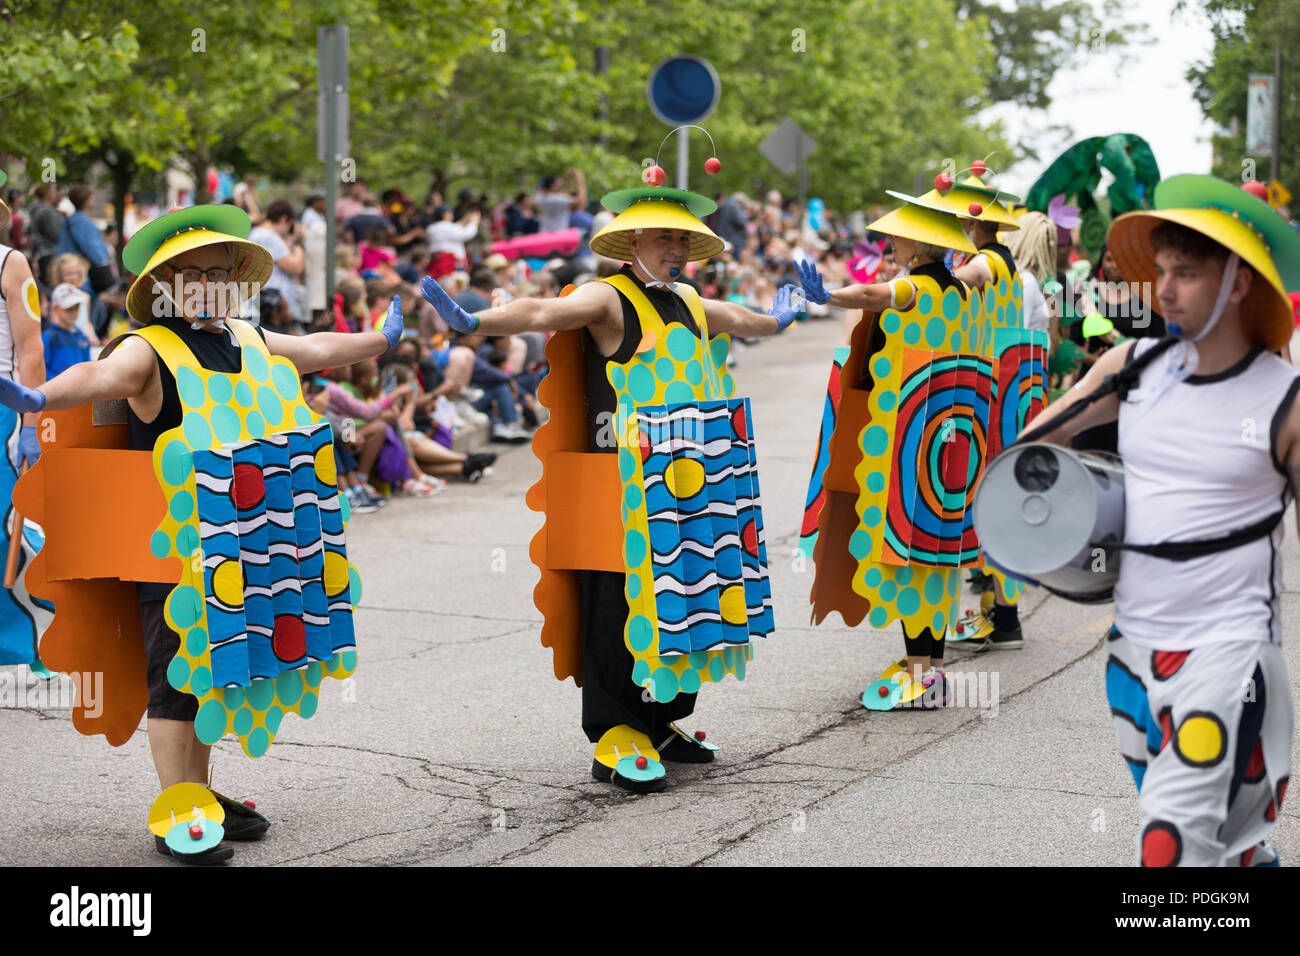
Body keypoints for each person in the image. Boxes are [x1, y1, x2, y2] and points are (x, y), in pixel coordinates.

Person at [0, 204, 405, 864]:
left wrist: (377, 340)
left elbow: (317, 350)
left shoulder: (247, 338)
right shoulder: (146, 349)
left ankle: (202, 793)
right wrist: (39, 399)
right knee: (175, 676)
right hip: (165, 548)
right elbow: (97, 377)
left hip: (240, 544)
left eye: (224, 270)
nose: (216, 281)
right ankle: (177, 806)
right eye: (200, 272)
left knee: (217, 674)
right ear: (168, 286)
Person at [421, 177, 795, 793]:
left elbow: (745, 321)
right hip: (618, 484)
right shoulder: (608, 298)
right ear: (635, 239)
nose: (677, 247)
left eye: (685, 237)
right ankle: (616, 730)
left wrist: (782, 316)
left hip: (688, 481)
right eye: (666, 236)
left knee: (687, 593)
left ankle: (661, 719)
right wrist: (475, 319)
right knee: (616, 603)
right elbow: (542, 311)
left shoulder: (691, 301)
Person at [1016, 175, 1300, 867]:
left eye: (1188, 274)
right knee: (1222, 850)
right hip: (1132, 655)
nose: (1164, 290)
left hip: (1230, 658)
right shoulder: (1129, 367)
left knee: (1169, 851)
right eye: (1162, 271)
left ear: (1237, 283)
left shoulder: (1284, 401)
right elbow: (1030, 454)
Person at [796, 190, 987, 708]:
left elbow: (874, 296)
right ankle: (932, 669)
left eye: (899, 235)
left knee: (904, 553)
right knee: (936, 553)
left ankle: (921, 676)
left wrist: (827, 295)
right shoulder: (961, 292)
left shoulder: (913, 285)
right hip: (949, 442)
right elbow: (979, 279)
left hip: (906, 439)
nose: (891, 241)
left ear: (921, 243)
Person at [0, 175, 50, 669]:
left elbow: (31, 347)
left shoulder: (10, 262)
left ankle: (39, 639)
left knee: (7, 522)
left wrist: (31, 423)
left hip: (3, 408)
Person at [248, 199, 304, 323]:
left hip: (264, 304)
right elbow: (295, 267)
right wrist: (298, 245)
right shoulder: (269, 236)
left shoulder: (258, 233)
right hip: (271, 307)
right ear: (284, 219)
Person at [42, 284, 93, 377]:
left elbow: (89, 367)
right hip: (56, 388)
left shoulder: (82, 338)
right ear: (55, 308)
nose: (73, 313)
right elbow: (42, 369)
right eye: (68, 309)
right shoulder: (48, 337)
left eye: (76, 308)